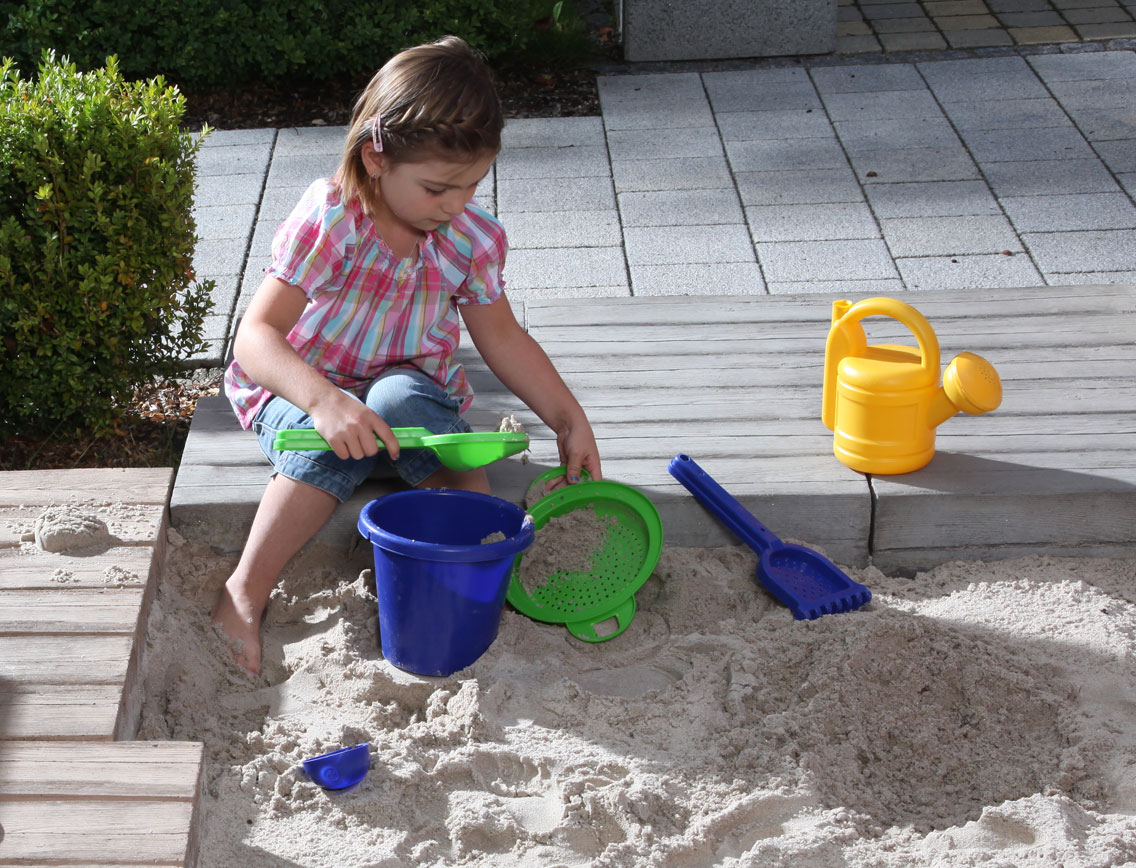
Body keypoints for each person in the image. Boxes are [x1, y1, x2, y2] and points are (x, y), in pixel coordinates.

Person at [211, 36, 602, 676]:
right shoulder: (332, 218)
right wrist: (323, 399)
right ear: (375, 157)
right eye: (436, 188)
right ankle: (245, 591)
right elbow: (256, 337)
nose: (454, 205)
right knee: (323, 442)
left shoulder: (470, 239)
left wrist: (567, 418)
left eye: (472, 186)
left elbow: (501, 336)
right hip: (303, 388)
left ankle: (483, 556)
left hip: (405, 391)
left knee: (402, 397)